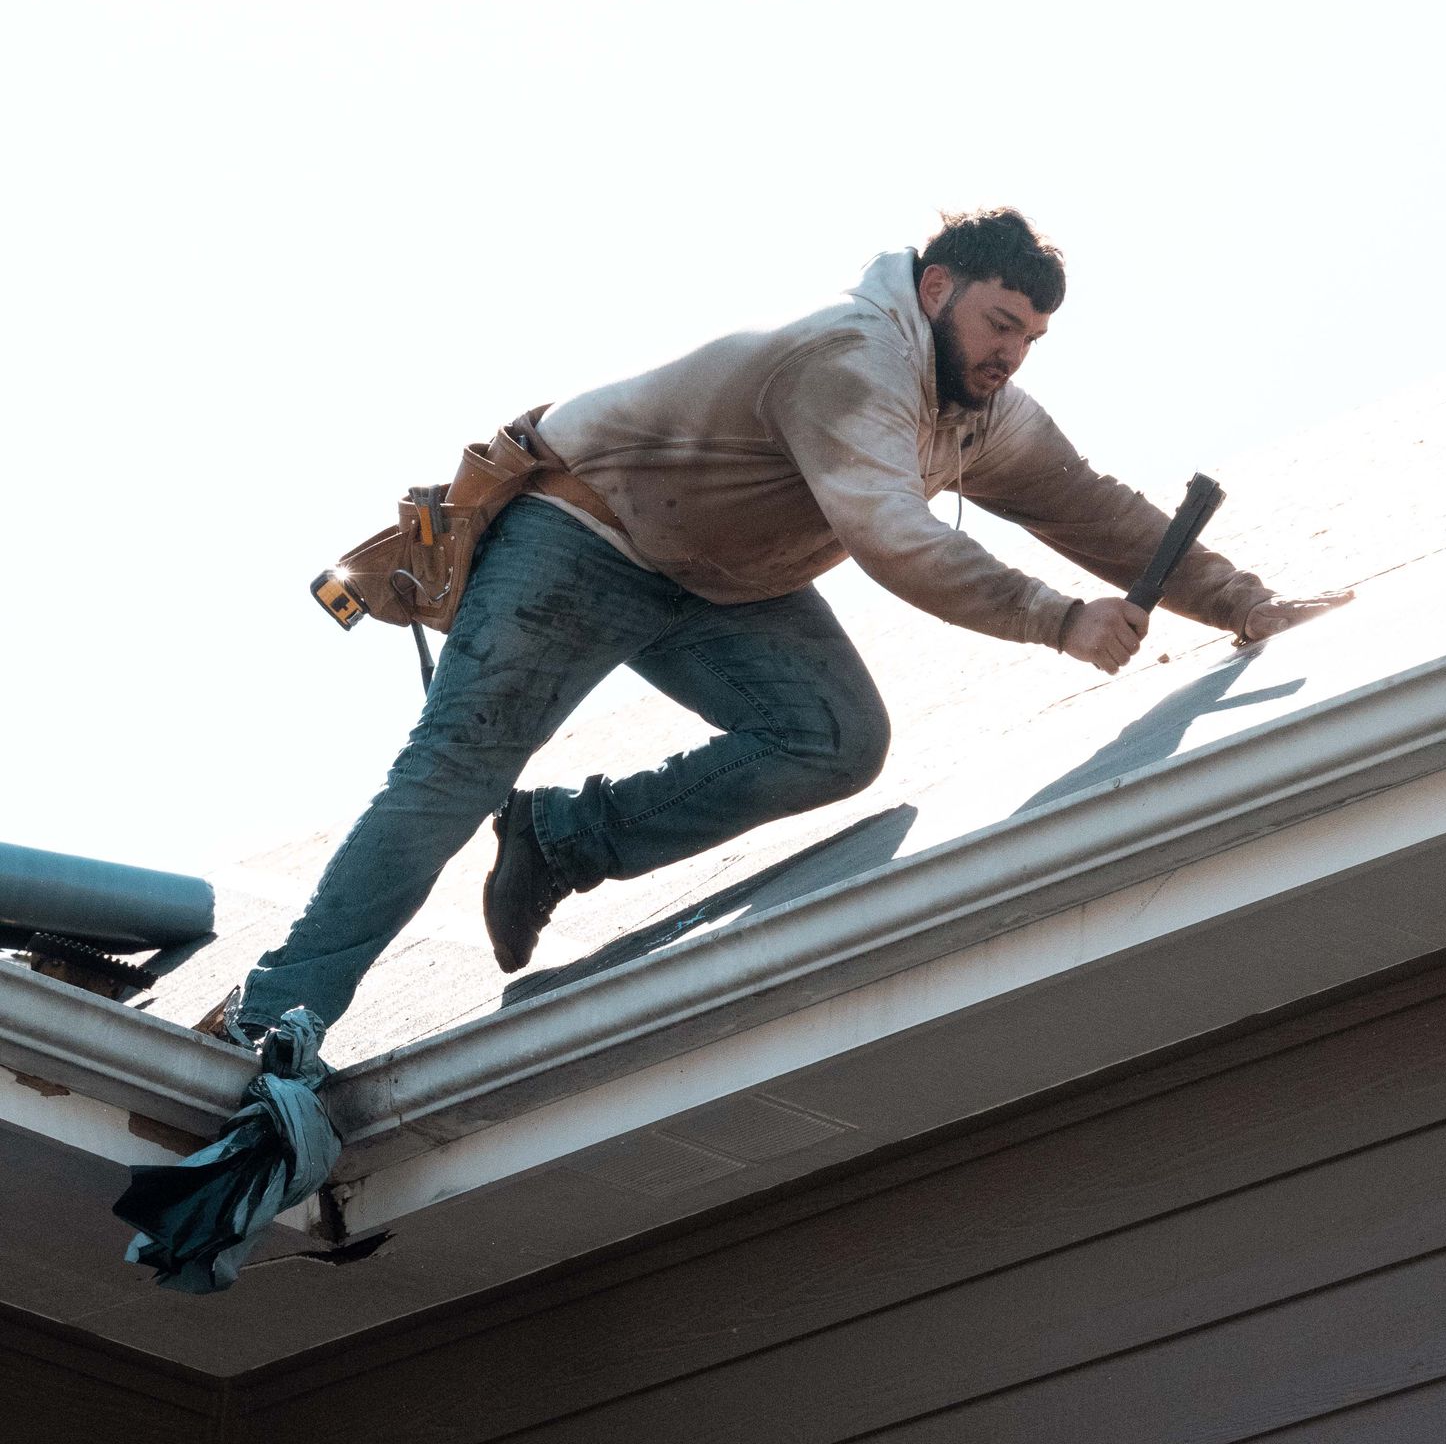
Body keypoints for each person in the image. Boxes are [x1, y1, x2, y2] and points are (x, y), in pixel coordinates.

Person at [228, 210, 1348, 1039]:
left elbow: (1092, 507)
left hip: (718, 580)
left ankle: (564, 841)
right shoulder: (851, 361)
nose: (1011, 353)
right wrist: (1056, 621)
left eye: (1032, 338)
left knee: (834, 739)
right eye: (1001, 322)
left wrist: (1245, 605)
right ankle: (276, 1017)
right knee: (456, 771)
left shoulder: (980, 414)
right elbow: (895, 539)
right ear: (936, 287)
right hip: (585, 533)